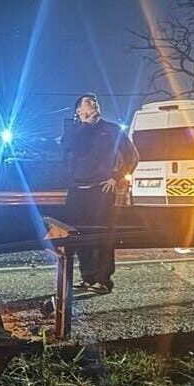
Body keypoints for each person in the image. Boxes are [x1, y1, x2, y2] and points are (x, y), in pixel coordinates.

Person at [61, 93, 139, 294]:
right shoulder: (74, 131)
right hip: (77, 190)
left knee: (103, 235)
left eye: (94, 101)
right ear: (79, 111)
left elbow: (132, 156)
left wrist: (117, 177)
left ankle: (103, 280)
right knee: (80, 235)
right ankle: (87, 277)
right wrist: (86, 125)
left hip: (101, 190)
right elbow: (67, 146)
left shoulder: (111, 130)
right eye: (87, 102)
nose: (93, 103)